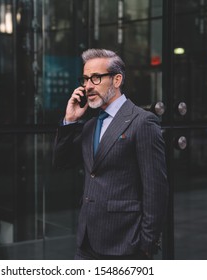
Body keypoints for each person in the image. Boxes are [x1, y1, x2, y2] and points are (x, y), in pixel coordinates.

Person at [53, 48, 168, 260]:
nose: (87, 86)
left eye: (95, 78)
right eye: (85, 79)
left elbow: (156, 190)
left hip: (125, 245)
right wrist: (70, 120)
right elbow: (61, 163)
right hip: (86, 242)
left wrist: (146, 244)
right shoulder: (89, 125)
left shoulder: (142, 122)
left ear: (117, 80)